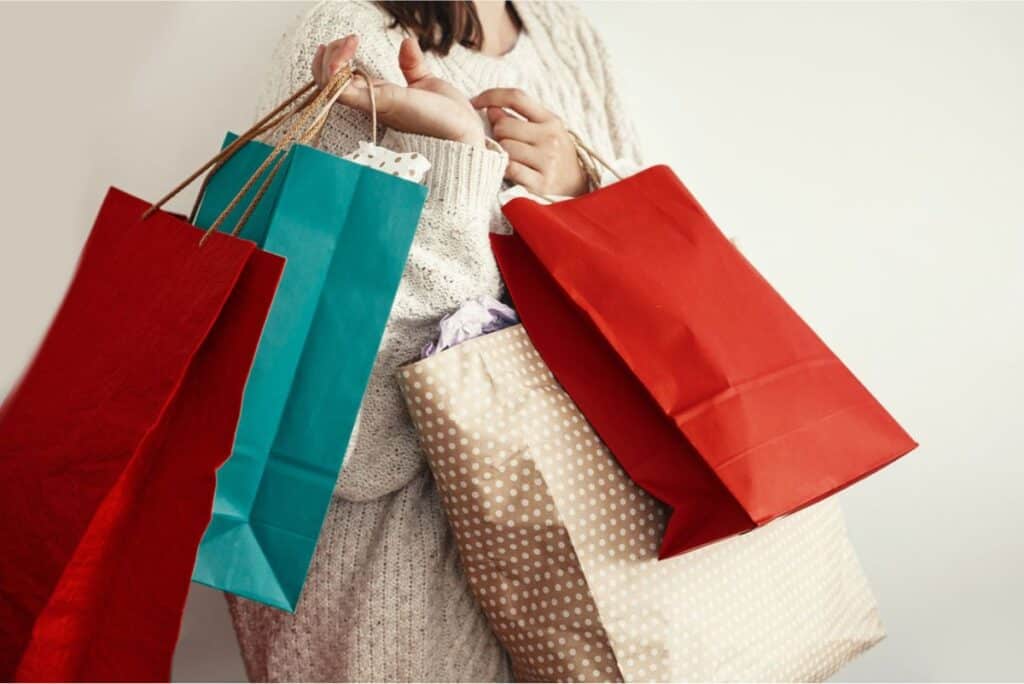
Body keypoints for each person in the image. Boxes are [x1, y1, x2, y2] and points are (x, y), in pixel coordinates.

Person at [226, 1, 642, 680]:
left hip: (592, 585)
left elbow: (647, 296)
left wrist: (579, 182)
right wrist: (454, 167)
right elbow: (345, 438)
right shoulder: (348, 37)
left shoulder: (561, 27)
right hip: (405, 617)